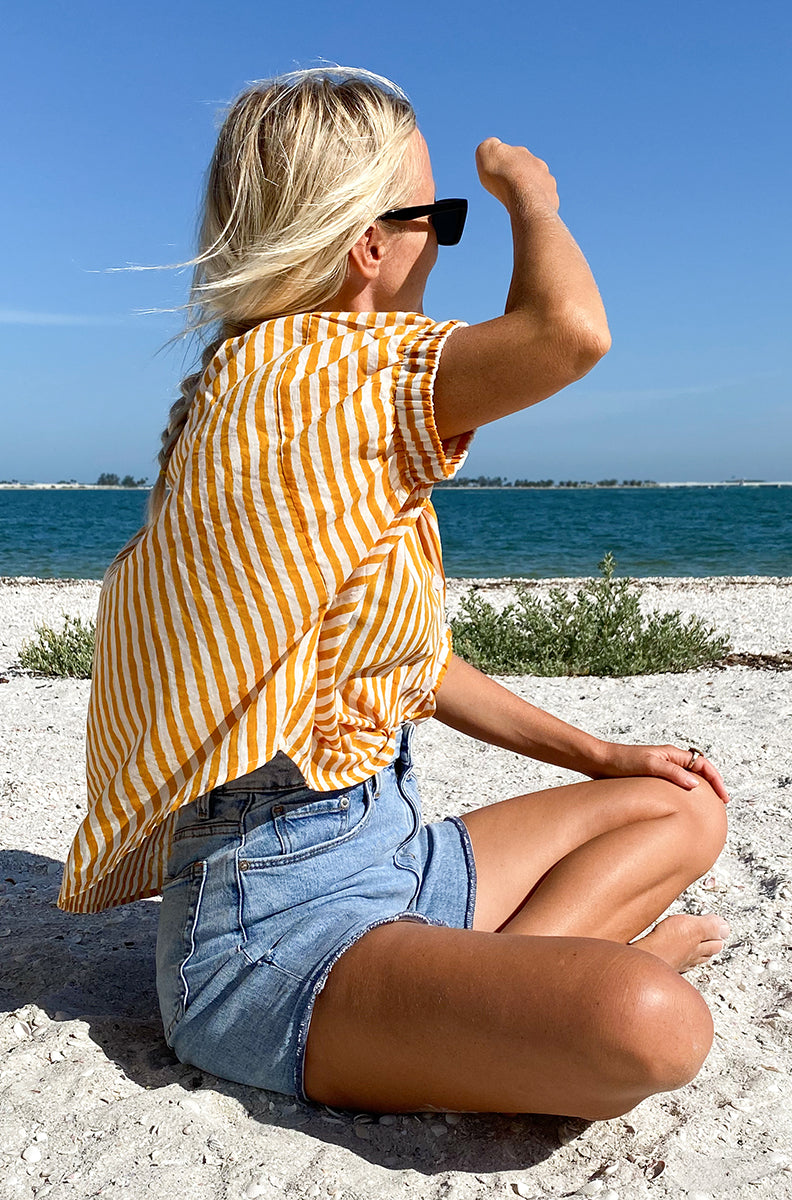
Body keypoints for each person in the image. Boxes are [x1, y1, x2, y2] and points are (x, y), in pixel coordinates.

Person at [60, 67, 730, 1120]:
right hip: (272, 935)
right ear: (371, 243)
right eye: (442, 220)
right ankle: (522, 987)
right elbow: (569, 332)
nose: (444, 245)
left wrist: (600, 755)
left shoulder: (280, 389)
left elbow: (404, 659)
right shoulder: (334, 379)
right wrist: (527, 195)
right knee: (652, 1024)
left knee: (679, 807)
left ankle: (490, 985)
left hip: (389, 857)